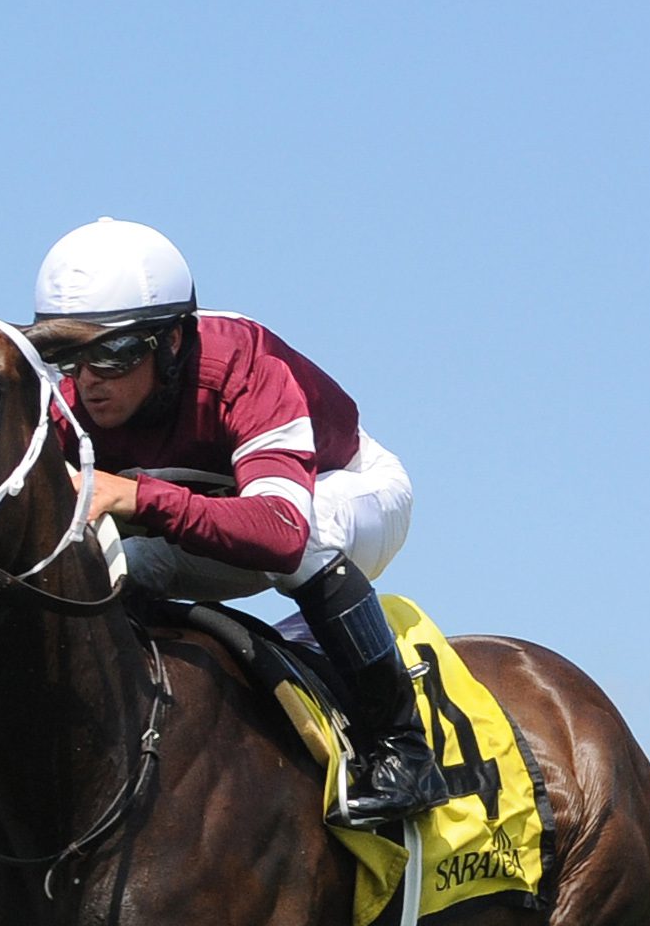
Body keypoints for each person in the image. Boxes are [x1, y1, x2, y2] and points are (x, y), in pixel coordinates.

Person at [26, 217, 449, 828]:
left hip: (342, 494)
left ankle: (403, 750)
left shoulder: (242, 363)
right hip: (210, 518)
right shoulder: (67, 407)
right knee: (111, 569)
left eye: (112, 353)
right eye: (66, 354)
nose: (88, 380)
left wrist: (138, 498)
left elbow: (279, 534)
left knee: (307, 539)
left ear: (170, 342)